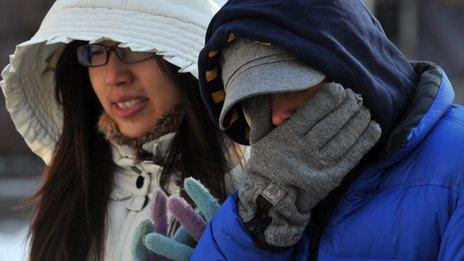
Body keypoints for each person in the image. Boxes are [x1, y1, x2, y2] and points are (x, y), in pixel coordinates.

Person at [189, 0, 464, 260]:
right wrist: (259, 224)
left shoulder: (457, 157)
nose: (274, 116)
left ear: (353, 65)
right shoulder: (260, 188)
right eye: (251, 103)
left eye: (288, 85)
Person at [0, 0, 243, 260]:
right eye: (95, 50)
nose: (113, 76)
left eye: (133, 46)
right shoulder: (73, 187)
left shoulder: (253, 190)